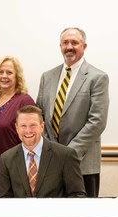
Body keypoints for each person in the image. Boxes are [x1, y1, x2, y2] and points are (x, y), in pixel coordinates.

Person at [36, 27, 109, 197]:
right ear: (60, 46)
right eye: (65, 43)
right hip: (50, 163)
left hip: (82, 164)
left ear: (84, 46)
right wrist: (51, 151)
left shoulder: (97, 77)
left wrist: (67, 155)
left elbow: (97, 122)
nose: (69, 46)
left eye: (74, 42)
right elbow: (40, 116)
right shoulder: (47, 77)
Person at [0, 105, 86, 198]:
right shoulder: (7, 159)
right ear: (16, 128)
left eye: (33, 125)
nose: (28, 131)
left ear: (42, 126)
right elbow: (5, 199)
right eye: (23, 126)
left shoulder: (65, 155)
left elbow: (77, 196)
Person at [0, 56, 35, 197]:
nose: (4, 76)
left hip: (12, 168)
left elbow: (32, 136)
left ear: (17, 76)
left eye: (9, 73)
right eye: (1, 72)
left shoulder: (24, 100)